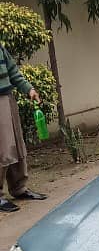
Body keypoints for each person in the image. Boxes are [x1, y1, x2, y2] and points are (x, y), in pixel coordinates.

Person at [0, 44, 48, 213]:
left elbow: (13, 71)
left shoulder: (1, 47)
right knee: (3, 149)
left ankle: (19, 188)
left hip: (7, 98)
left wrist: (29, 89)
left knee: (17, 145)